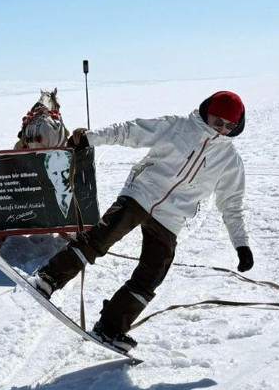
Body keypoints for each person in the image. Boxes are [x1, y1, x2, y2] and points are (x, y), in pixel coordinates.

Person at [29, 91, 254, 353]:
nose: (223, 129)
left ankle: (111, 326)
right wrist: (91, 138)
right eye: (218, 121)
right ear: (207, 113)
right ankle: (48, 278)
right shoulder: (177, 127)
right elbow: (130, 131)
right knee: (100, 238)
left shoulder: (230, 160)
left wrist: (241, 244)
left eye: (230, 126)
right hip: (141, 194)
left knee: (153, 273)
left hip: (172, 217)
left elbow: (232, 205)